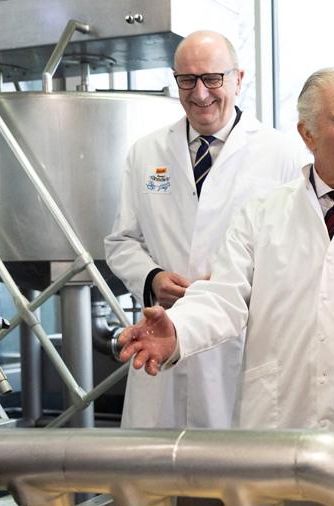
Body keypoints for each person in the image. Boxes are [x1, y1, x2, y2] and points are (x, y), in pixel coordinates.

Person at [116, 67, 334, 493]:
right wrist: (179, 331)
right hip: (280, 430)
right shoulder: (262, 214)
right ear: (308, 134)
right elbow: (223, 297)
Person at [104, 30, 303, 431]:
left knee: (232, 480)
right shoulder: (147, 152)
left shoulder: (281, 155)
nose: (200, 94)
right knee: (156, 480)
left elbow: (298, 255)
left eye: (213, 79)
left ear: (238, 79)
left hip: (237, 348)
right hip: (162, 335)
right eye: (187, 80)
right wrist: (152, 278)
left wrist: (235, 283)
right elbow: (121, 241)